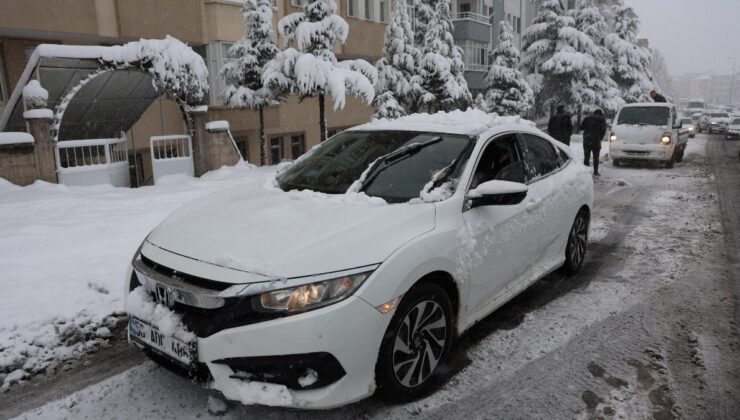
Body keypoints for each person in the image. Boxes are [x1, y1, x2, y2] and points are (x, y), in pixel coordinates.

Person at [580, 109, 608, 176]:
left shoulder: (587, 118)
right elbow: (603, 130)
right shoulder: (602, 119)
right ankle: (595, 172)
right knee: (596, 157)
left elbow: (581, 128)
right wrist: (599, 138)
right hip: (596, 140)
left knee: (586, 157)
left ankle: (585, 172)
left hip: (587, 139)